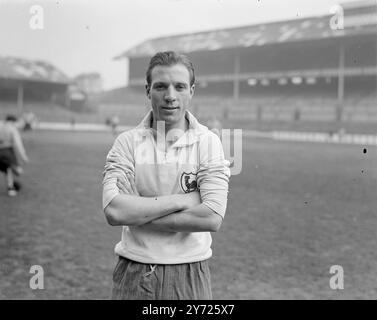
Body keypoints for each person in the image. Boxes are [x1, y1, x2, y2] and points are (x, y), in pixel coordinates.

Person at [102, 51, 230, 300]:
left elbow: (212, 218)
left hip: (190, 272)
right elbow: (114, 212)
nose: (170, 96)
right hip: (133, 270)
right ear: (148, 90)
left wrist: (138, 210)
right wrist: (185, 200)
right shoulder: (126, 143)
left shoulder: (208, 143)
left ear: (191, 90)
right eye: (161, 86)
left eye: (180, 86)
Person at [0, 115, 29, 196]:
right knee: (12, 169)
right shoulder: (12, 129)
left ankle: (11, 186)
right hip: (7, 152)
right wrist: (24, 157)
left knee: (7, 169)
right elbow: (18, 144)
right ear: (12, 122)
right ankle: (11, 188)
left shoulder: (1, 124)